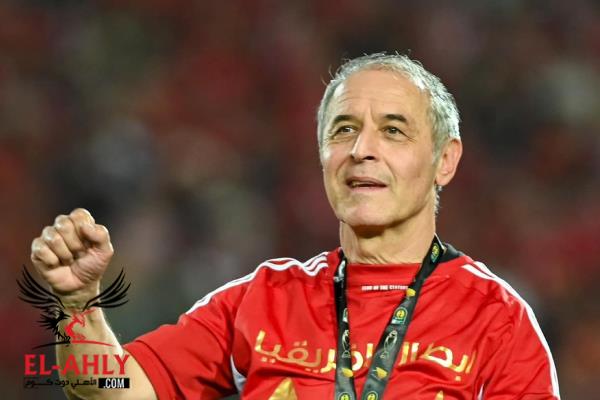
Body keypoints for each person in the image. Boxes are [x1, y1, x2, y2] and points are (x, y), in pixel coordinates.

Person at [30, 53, 560, 399]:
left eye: (393, 131)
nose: (362, 149)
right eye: (343, 130)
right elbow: (111, 389)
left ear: (445, 160)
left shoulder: (497, 320)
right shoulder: (262, 299)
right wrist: (77, 306)